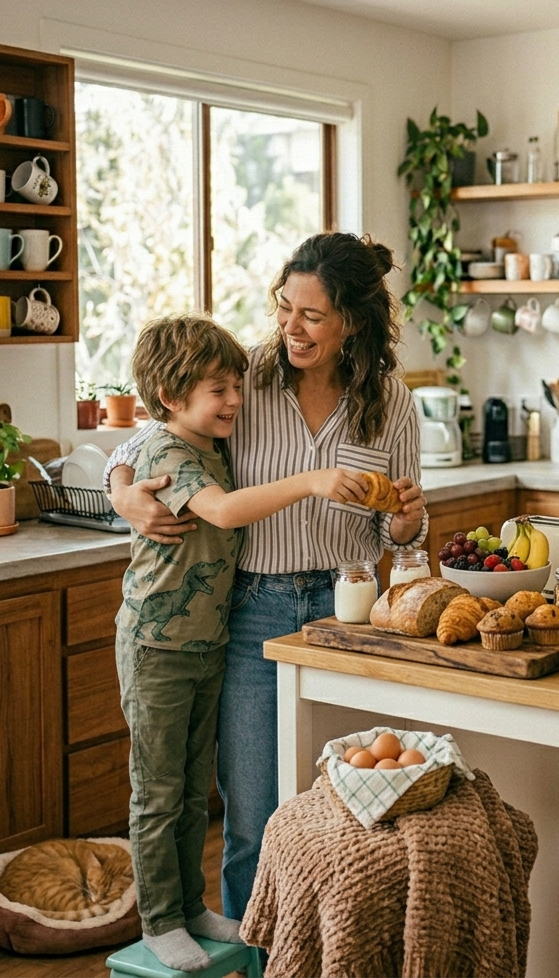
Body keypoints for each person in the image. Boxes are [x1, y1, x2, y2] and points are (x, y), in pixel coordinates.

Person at [107, 233, 427, 922]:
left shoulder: (391, 400)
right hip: (252, 608)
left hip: (349, 612)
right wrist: (122, 492)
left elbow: (399, 531)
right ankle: (257, 963)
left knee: (351, 807)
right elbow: (146, 433)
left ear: (353, 322)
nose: (291, 327)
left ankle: (332, 954)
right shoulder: (244, 375)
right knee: (255, 815)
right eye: (285, 308)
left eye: (312, 316)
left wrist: (405, 522)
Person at [118, 315, 368, 971]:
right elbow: (226, 511)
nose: (234, 401)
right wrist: (314, 479)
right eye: (218, 389)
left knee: (196, 790)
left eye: (236, 386)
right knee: (158, 793)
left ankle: (192, 907)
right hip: (156, 647)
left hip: (206, 644)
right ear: (172, 396)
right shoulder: (168, 452)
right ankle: (158, 920)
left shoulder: (209, 446)